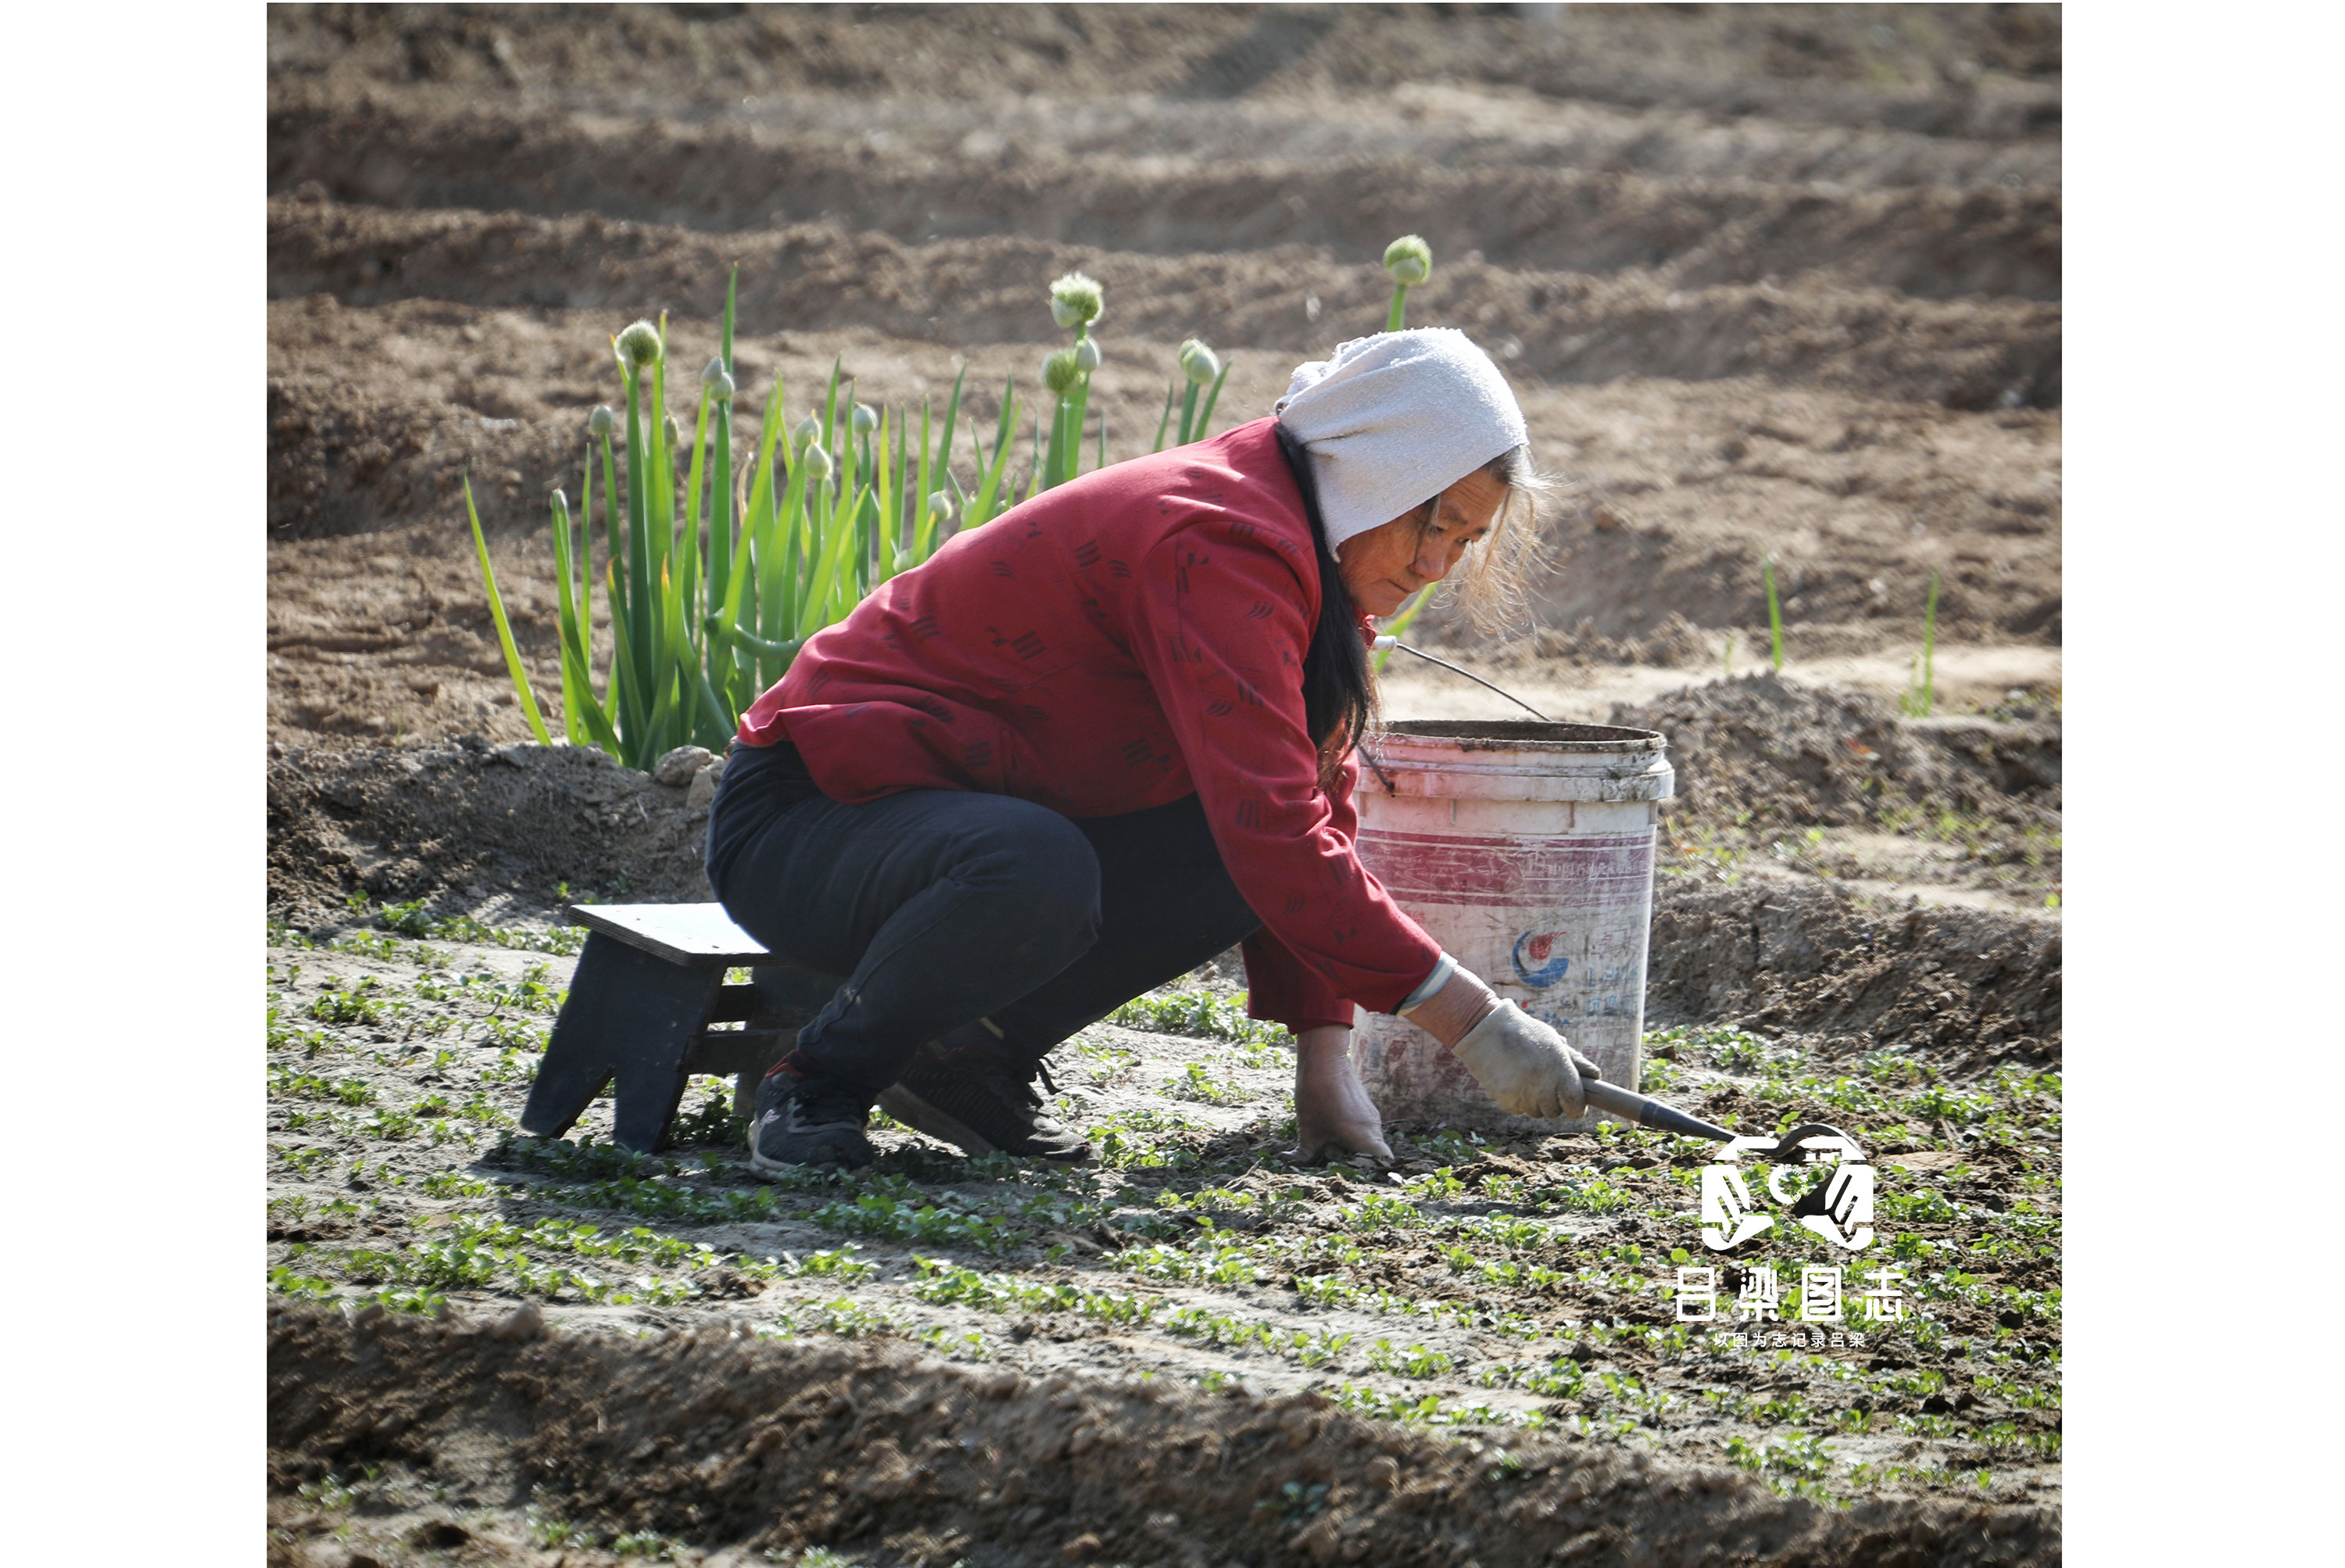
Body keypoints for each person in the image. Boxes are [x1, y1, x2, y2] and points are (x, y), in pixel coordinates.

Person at [704, 329, 1603, 1175]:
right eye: (1430, 522)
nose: (1437, 564)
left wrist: (1325, 1065)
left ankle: (962, 1052)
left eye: (1465, 539)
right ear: (1375, 472)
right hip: (811, 812)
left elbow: (1309, 802)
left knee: (1206, 843)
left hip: (963, 824)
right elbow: (1279, 833)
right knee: (1037, 866)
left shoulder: (1310, 555)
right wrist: (1475, 1022)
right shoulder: (1223, 540)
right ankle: (817, 1080)